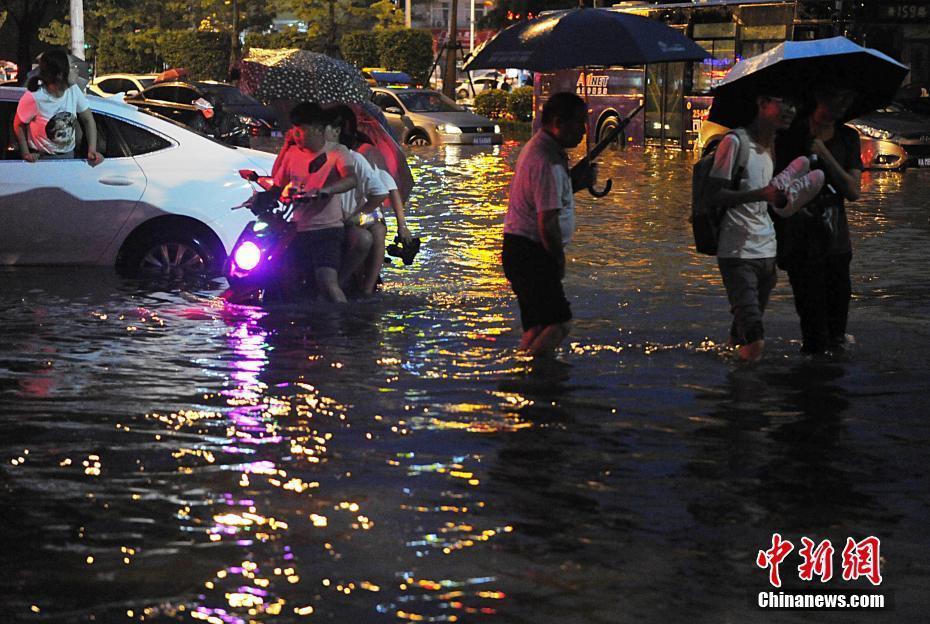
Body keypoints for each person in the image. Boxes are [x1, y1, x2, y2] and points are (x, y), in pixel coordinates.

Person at [705, 92, 825, 362]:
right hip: (737, 253)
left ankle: (730, 377)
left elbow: (764, 199)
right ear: (762, 103)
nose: (791, 109)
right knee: (755, 337)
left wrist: (785, 203)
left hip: (766, 253)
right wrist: (761, 194)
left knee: (742, 334)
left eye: (794, 104)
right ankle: (746, 398)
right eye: (784, 101)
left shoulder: (771, 147)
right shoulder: (734, 142)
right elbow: (713, 195)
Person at [501, 92, 596, 357]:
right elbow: (547, 221)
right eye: (578, 123)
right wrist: (557, 259)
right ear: (558, 122)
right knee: (559, 323)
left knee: (537, 326)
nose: (583, 130)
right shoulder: (545, 159)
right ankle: (535, 376)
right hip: (532, 252)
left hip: (521, 250)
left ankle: (526, 375)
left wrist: (577, 181)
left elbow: (552, 198)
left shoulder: (547, 151)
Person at [775, 87, 862, 354]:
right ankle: (811, 384)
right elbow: (775, 185)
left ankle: (830, 384)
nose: (844, 104)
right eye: (839, 96)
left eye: (848, 99)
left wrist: (823, 152)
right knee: (813, 328)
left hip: (836, 239)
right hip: (801, 240)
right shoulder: (791, 133)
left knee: (837, 328)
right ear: (820, 96)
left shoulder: (848, 137)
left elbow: (853, 191)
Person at [264, 102, 358, 303]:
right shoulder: (292, 153)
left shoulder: (338, 151)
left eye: (301, 131)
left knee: (326, 280)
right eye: (294, 131)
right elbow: (278, 181)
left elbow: (351, 179)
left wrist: (326, 190)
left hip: (328, 230)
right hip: (298, 229)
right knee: (282, 275)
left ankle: (342, 324)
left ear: (318, 130)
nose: (296, 135)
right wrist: (285, 146)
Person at [320, 106, 390, 294]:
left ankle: (367, 288)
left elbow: (384, 192)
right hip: (330, 221)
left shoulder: (358, 158)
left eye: (321, 127)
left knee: (377, 228)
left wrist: (357, 216)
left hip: (362, 216)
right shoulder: (309, 157)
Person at [13, 49, 103, 166]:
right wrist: (25, 153)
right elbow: (18, 124)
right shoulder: (34, 97)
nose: (76, 70)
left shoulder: (73, 90)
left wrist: (92, 150)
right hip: (41, 160)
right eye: (72, 67)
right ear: (60, 75)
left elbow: (88, 119)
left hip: (69, 157)